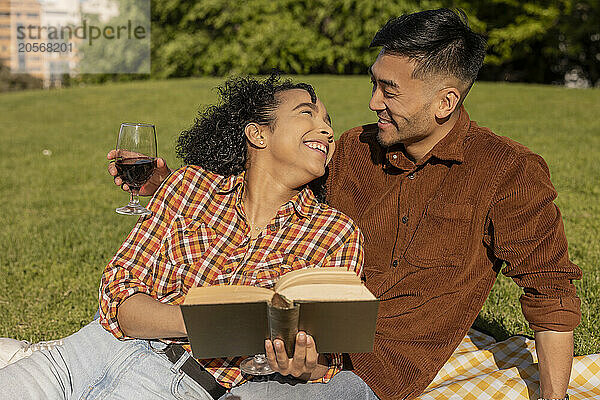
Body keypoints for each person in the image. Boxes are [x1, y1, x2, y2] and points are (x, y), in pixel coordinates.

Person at [110, 9, 582, 400]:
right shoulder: (355, 150)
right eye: (374, 83)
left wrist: (554, 398)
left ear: (445, 102)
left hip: (370, 374)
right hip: (279, 347)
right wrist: (165, 184)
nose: (373, 101)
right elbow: (266, 184)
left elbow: (551, 292)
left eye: (390, 91)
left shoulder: (509, 172)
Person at [0, 75, 369, 399]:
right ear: (258, 133)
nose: (326, 130)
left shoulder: (335, 233)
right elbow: (118, 296)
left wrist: (301, 366)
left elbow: (326, 363)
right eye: (308, 113)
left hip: (176, 385)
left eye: (328, 122)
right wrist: (204, 321)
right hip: (90, 349)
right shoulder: (188, 186)